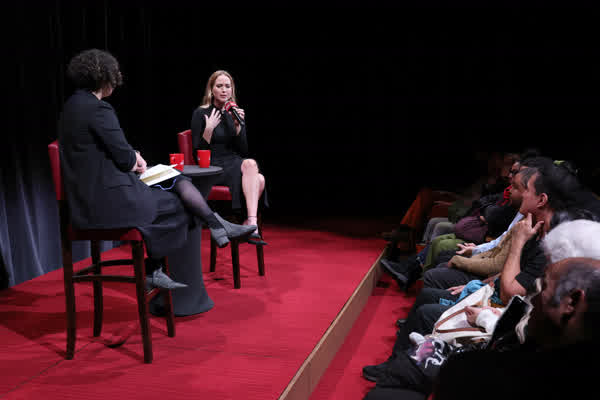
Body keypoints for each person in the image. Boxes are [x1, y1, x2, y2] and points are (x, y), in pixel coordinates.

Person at [58, 49, 256, 290]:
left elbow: (100, 149)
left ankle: (214, 226)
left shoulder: (71, 106)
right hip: (106, 200)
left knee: (174, 178)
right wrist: (134, 158)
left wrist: (132, 157)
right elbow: (123, 159)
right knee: (177, 203)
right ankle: (155, 268)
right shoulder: (99, 109)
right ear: (105, 77)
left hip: (85, 198)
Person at [363, 219, 600, 400]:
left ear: (571, 303)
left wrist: (485, 318)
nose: (533, 299)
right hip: (491, 327)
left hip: (485, 343)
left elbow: (509, 293)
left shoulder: (491, 376)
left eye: (542, 287)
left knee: (399, 377)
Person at [191, 70, 268, 243]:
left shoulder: (234, 112)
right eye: (219, 86)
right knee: (259, 180)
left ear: (232, 90)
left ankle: (251, 222)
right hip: (212, 165)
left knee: (251, 164)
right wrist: (208, 130)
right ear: (211, 90)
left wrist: (239, 128)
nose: (224, 90)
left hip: (232, 160)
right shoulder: (201, 113)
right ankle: (248, 222)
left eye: (228, 86)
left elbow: (243, 151)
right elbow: (197, 154)